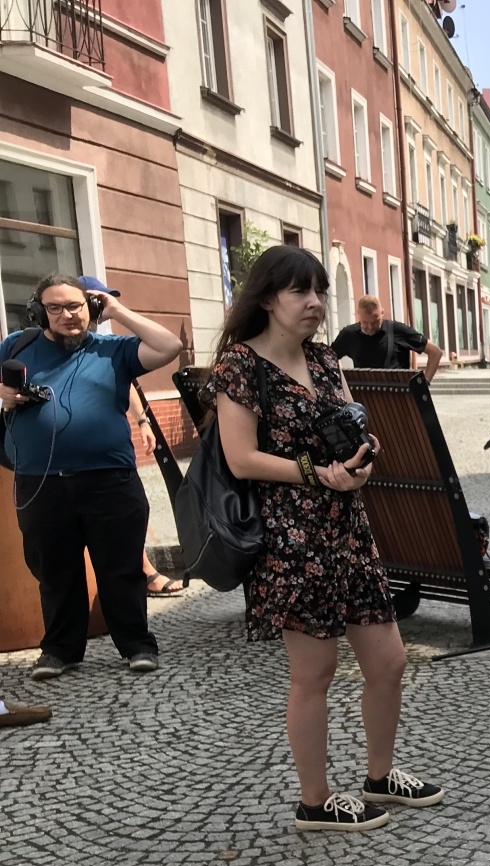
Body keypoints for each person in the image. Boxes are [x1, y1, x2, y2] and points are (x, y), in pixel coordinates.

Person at [203, 246, 443, 832]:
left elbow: (353, 422)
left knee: (388, 662)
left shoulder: (325, 358)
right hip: (290, 538)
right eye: (301, 291)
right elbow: (241, 458)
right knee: (314, 674)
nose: (315, 302)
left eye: (319, 292)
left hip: (347, 529)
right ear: (268, 298)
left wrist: (363, 458)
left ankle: (380, 777)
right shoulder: (241, 365)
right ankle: (315, 802)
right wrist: (316, 473)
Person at [1, 274, 181, 679]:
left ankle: (137, 645)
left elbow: (169, 346)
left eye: (75, 306)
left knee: (121, 568)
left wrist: (117, 310)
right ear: (39, 312)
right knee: (54, 572)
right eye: (55, 308)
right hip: (41, 483)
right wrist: (3, 393)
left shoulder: (113, 349)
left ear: (91, 308)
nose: (67, 315)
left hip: (109, 480)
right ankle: (60, 651)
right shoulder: (17, 346)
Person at [331, 295, 443, 379]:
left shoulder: (398, 330)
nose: (370, 327)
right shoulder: (349, 334)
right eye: (365, 322)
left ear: (382, 313)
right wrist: (340, 380)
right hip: (364, 398)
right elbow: (329, 358)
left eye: (375, 322)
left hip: (398, 398)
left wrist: (425, 382)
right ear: (358, 314)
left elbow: (435, 352)